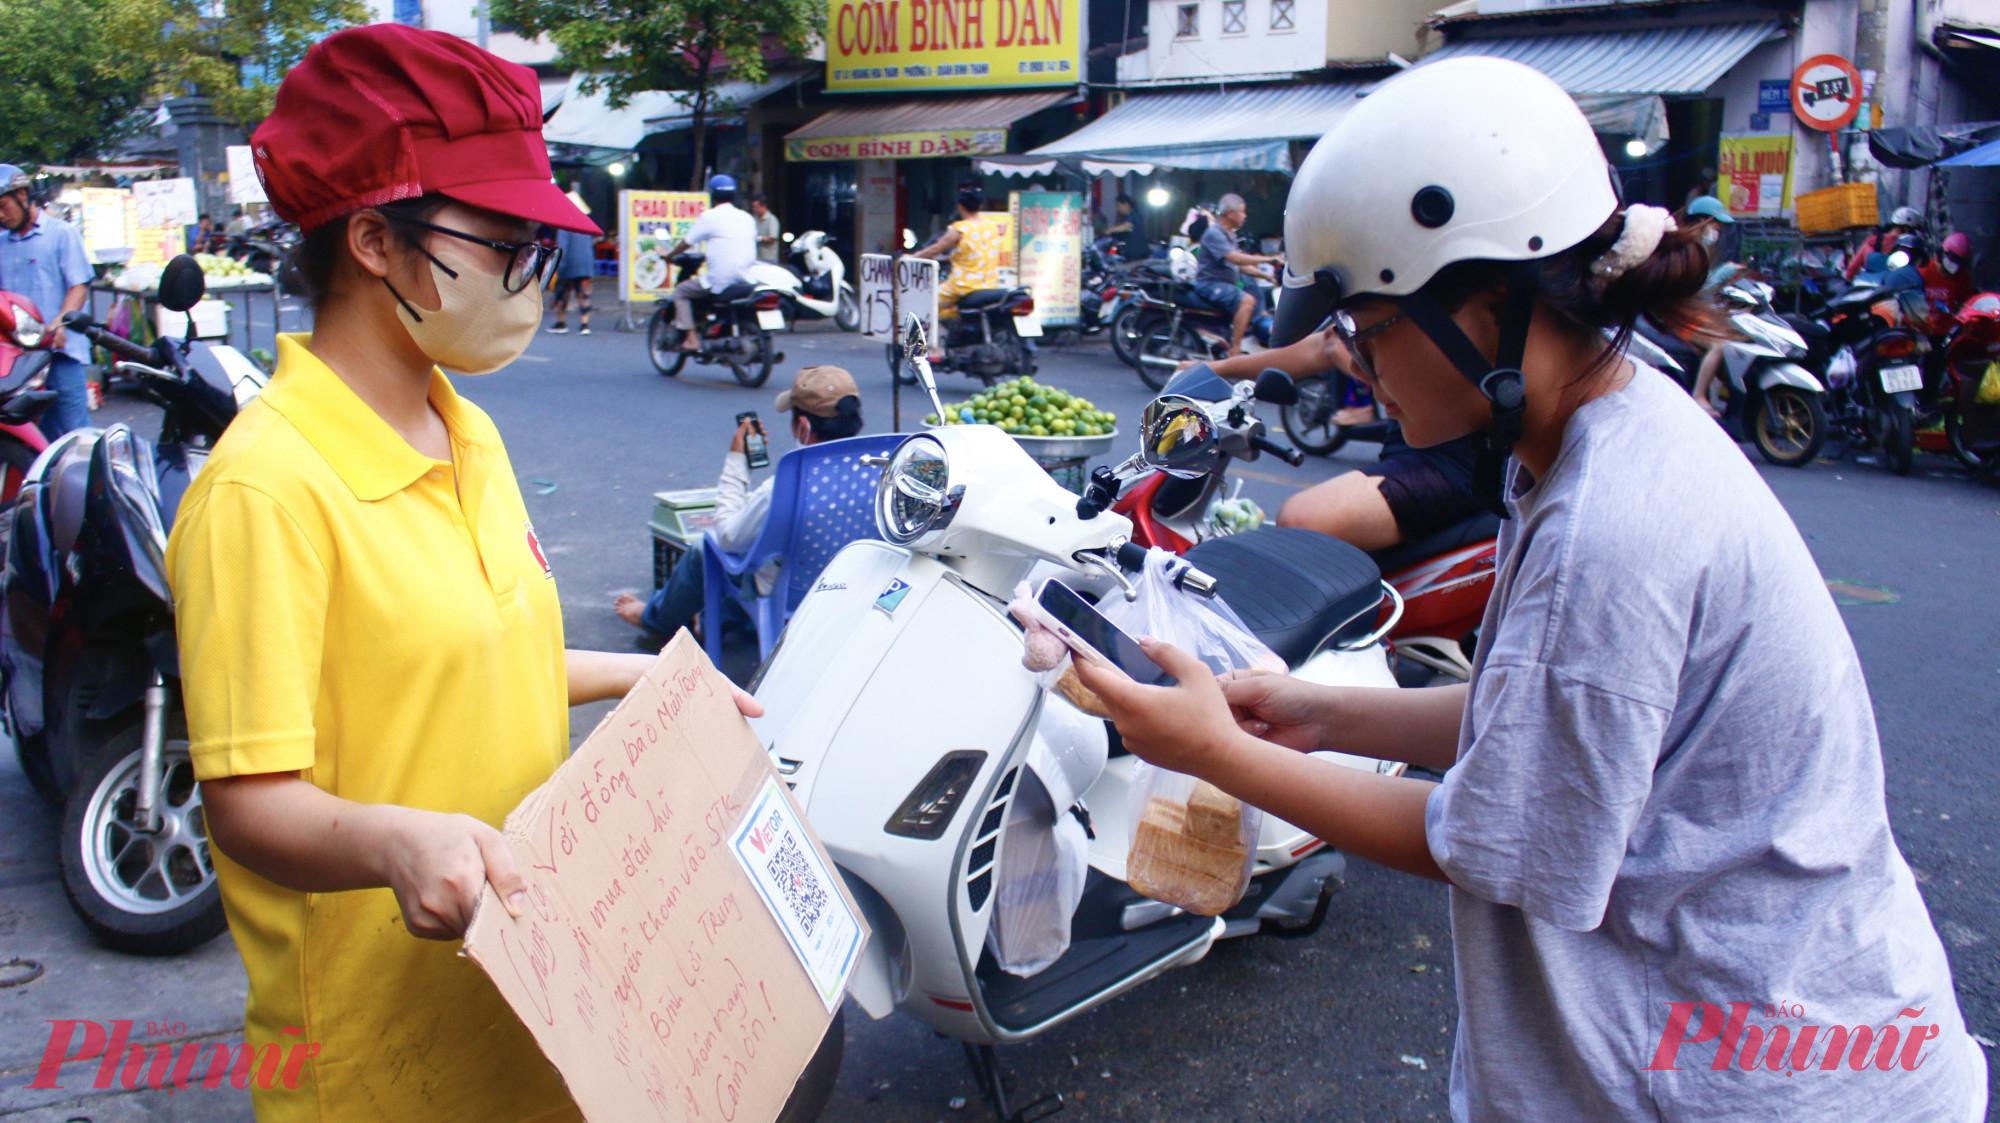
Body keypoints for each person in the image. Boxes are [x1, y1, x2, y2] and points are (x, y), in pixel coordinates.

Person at [1076, 56, 1985, 1119]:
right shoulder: (1592, 437)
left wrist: (1215, 751)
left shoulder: (1613, 523)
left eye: (1370, 329)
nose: (1358, 367)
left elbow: (1495, 838)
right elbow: (1553, 715)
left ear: (1489, 306)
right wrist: (1318, 713)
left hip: (1755, 1076)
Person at [164, 25, 761, 1122]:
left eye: (539, 244)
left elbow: (473, 660)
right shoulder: (264, 490)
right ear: (374, 241)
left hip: (536, 1010)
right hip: (378, 1061)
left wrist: (647, 678)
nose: (532, 273)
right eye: (504, 241)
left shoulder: (466, 429)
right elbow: (248, 803)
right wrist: (397, 839)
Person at [614, 365, 862, 646]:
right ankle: (713, 621)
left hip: (787, 591)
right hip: (847, 582)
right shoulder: (878, 470)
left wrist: (737, 463)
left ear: (803, 426)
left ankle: (657, 621)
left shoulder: (787, 486)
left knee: (705, 549)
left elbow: (729, 536)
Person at [1198, 329, 1483, 551]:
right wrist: (1214, 370)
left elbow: (1333, 346)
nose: (1360, 369)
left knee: (1301, 519)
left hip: (1463, 461)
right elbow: (1329, 343)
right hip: (1416, 455)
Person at [0, 164, 93, 436]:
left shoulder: (62, 233)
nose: (1, 215)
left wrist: (60, 324)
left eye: (3, 206)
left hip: (61, 351)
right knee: (31, 435)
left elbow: (78, 287)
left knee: (75, 432)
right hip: (18, 361)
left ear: (22, 196)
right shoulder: (1, 244)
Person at [663, 173, 757, 351]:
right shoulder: (747, 217)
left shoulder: (709, 216)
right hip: (746, 278)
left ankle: (691, 339)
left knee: (681, 291)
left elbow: (686, 242)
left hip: (721, 280)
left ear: (713, 195)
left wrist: (670, 255)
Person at [1195, 193, 1283, 357]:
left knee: (1256, 300)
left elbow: (1241, 266)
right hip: (1211, 285)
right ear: (1230, 213)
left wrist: (1266, 276)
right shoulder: (1215, 233)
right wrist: (1269, 259)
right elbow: (1235, 258)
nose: (1245, 216)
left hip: (1224, 285)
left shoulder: (1229, 235)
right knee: (1247, 301)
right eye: (1242, 212)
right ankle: (1235, 350)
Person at [1679, 195, 1738, 418]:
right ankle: (1699, 395)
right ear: (1701, 221)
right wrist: (1725, 272)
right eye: (1715, 224)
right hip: (1682, 317)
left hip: (1695, 312)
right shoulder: (1690, 248)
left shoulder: (1701, 247)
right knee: (1719, 343)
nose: (1718, 230)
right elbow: (1699, 288)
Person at [914, 183, 1007, 320]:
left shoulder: (959, 229)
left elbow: (936, 249)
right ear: (980, 206)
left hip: (962, 287)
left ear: (960, 206)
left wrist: (913, 256)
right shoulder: (992, 226)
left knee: (924, 303)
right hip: (989, 285)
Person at [548, 191, 595, 334]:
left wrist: (559, 266)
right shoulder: (586, 223)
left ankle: (561, 322)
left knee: (563, 293)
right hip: (586, 264)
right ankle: (585, 325)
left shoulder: (565, 224)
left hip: (569, 264)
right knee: (584, 294)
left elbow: (563, 247)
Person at [1845, 205, 1924, 280]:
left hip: (1873, 284)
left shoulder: (1873, 241)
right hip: (1896, 285)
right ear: (1906, 228)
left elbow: (1853, 268)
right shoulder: (1910, 246)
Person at [1922, 231, 1976, 320]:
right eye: (1954, 260)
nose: (1955, 266)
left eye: (1960, 263)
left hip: (1948, 327)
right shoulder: (1924, 270)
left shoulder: (1963, 276)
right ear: (1943, 254)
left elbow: (1966, 304)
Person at [1102, 192, 1147, 262]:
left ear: (1126, 204)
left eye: (1119, 206)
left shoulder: (1133, 215)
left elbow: (1127, 226)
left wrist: (1110, 230)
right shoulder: (1129, 216)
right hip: (1133, 252)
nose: (1118, 209)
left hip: (1137, 252)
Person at [750, 193, 782, 264]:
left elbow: (773, 238)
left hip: (768, 258)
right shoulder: (753, 219)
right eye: (753, 207)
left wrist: (758, 238)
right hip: (756, 257)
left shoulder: (771, 220)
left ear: (764, 206)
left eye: (756, 207)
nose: (754, 209)